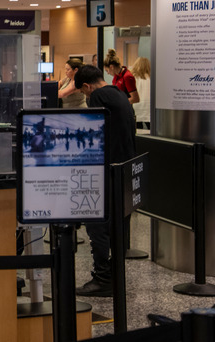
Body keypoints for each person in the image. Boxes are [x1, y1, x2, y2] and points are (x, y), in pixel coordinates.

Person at [74, 64, 136, 297]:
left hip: (106, 172)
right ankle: (114, 276)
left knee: (97, 225)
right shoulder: (117, 93)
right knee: (115, 227)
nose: (86, 96)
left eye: (83, 92)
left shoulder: (98, 96)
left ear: (88, 86)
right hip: (123, 169)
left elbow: (92, 135)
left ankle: (102, 278)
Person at [130, 57, 151, 129]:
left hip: (137, 107)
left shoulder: (132, 78)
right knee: (151, 130)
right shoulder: (152, 78)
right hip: (149, 107)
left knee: (138, 130)